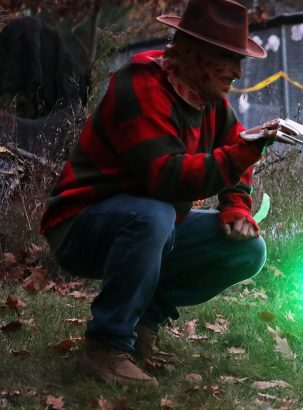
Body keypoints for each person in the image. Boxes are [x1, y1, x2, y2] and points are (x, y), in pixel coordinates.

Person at [39, 0, 289, 387]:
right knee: (154, 214)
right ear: (196, 54)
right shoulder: (141, 84)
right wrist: (246, 150)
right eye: (229, 58)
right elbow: (165, 177)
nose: (239, 73)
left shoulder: (211, 103)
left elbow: (236, 155)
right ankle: (106, 345)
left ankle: (143, 321)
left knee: (247, 250)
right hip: (80, 226)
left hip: (148, 226)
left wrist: (236, 208)